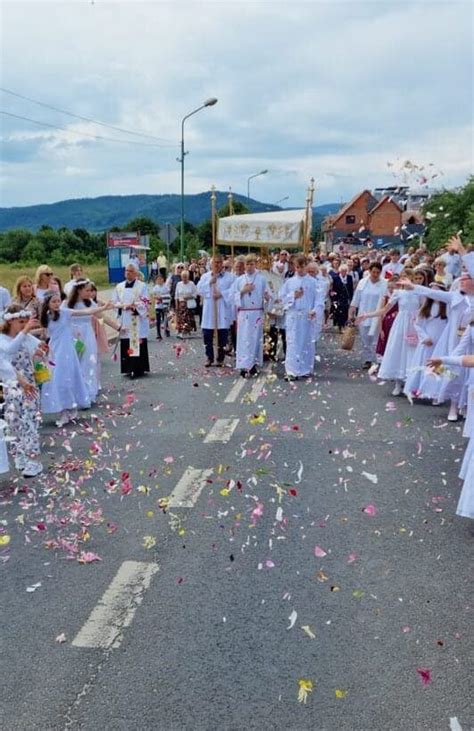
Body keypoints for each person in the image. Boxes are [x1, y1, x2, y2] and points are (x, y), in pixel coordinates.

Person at [40, 292, 109, 427]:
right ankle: (64, 408)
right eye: (53, 301)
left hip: (66, 351)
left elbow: (84, 312)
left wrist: (102, 308)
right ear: (47, 303)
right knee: (56, 379)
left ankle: (68, 409)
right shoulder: (46, 317)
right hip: (54, 350)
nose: (57, 304)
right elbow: (44, 333)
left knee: (65, 378)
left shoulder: (65, 312)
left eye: (58, 301)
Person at [0, 306, 45, 477]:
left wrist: (40, 352)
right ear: (10, 321)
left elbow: (36, 347)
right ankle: (20, 455)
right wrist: (25, 332)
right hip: (11, 387)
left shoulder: (25, 337)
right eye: (21, 322)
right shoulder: (3, 339)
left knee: (29, 422)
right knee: (14, 423)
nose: (24, 325)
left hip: (29, 386)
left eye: (26, 322)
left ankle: (34, 460)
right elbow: (10, 350)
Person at [403, 284, 448, 399]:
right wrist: (424, 337)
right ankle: (418, 389)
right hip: (427, 343)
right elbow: (418, 324)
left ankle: (436, 393)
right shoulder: (426, 307)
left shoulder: (447, 308)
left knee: (438, 367)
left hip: (440, 342)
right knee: (423, 364)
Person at [233, 254, 272, 377]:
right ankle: (244, 366)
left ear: (256, 264)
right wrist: (243, 291)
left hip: (256, 313)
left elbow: (269, 295)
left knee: (255, 339)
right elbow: (232, 296)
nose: (249, 266)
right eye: (247, 264)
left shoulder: (261, 279)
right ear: (244, 266)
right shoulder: (239, 280)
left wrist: (267, 298)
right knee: (244, 339)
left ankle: (253, 365)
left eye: (252, 264)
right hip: (244, 313)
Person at [280, 254, 317, 381]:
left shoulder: (313, 282)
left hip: (307, 316)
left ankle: (305, 369)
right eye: (297, 267)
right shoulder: (289, 282)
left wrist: (315, 310)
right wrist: (293, 296)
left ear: (306, 266)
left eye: (302, 267)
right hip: (293, 316)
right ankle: (291, 370)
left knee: (305, 342)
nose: (300, 269)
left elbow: (318, 300)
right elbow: (282, 298)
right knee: (292, 343)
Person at [112, 263, 151, 378]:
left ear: (136, 273)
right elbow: (115, 302)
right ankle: (128, 369)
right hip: (125, 317)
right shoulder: (119, 286)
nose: (127, 273)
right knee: (126, 343)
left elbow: (145, 301)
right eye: (126, 271)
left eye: (130, 271)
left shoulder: (142, 286)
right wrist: (123, 306)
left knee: (136, 342)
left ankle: (139, 369)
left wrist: (134, 306)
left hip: (136, 318)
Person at [66, 279, 102, 402]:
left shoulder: (90, 303)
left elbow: (100, 315)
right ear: (79, 290)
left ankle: (88, 393)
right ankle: (74, 394)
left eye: (91, 290)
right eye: (87, 290)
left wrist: (117, 326)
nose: (90, 293)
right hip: (72, 335)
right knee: (74, 363)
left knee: (88, 362)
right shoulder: (67, 304)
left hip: (87, 334)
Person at [196, 255, 234, 367]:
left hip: (222, 309)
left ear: (222, 263)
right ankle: (209, 357)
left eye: (219, 262)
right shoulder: (205, 276)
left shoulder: (230, 277)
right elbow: (199, 290)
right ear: (211, 264)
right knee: (207, 334)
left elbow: (233, 290)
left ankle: (220, 358)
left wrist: (222, 294)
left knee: (222, 336)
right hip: (210, 309)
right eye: (214, 262)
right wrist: (209, 283)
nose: (217, 264)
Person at [349, 262, 388, 369]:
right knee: (365, 339)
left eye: (378, 272)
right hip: (363, 315)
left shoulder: (385, 283)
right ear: (369, 271)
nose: (375, 274)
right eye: (373, 272)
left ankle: (379, 361)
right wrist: (351, 313)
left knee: (376, 340)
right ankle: (367, 359)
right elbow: (356, 299)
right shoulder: (362, 282)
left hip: (377, 316)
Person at [329, 263, 353, 332]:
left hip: (346, 298)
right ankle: (339, 326)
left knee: (345, 311)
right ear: (340, 271)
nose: (344, 272)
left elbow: (350, 288)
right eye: (342, 270)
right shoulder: (336, 278)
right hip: (338, 297)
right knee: (338, 312)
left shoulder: (349, 277)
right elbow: (333, 288)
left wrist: (351, 298)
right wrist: (333, 298)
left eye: (345, 271)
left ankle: (344, 325)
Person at [175, 269, 198, 338]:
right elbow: (176, 295)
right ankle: (181, 331)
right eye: (183, 277)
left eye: (186, 277)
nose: (184, 278)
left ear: (188, 277)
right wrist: (177, 304)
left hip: (189, 303)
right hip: (181, 304)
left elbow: (195, 294)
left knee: (188, 318)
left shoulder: (191, 284)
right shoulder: (179, 284)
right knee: (181, 318)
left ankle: (187, 331)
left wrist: (188, 297)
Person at [152, 274, 171, 339]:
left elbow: (168, 295)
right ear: (156, 281)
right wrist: (158, 297)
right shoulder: (155, 287)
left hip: (164, 305)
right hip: (158, 305)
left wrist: (162, 297)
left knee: (165, 319)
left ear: (163, 279)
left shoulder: (166, 287)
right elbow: (154, 296)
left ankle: (167, 330)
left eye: (161, 279)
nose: (159, 280)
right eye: (158, 279)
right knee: (158, 320)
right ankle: (158, 333)